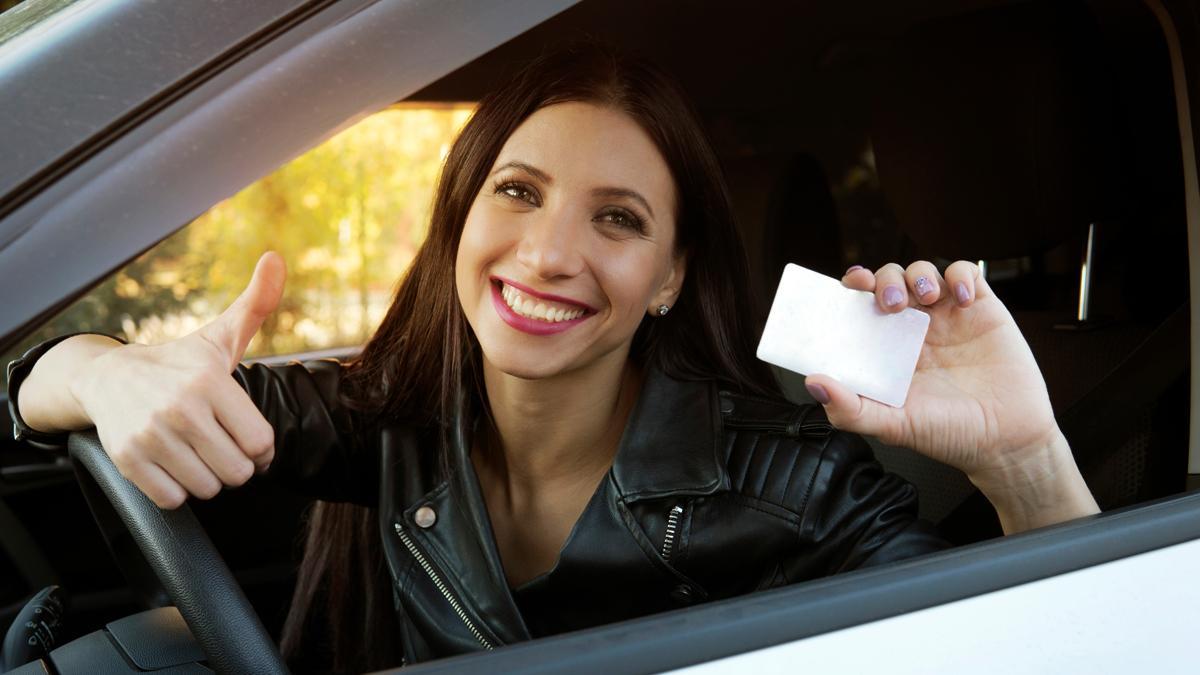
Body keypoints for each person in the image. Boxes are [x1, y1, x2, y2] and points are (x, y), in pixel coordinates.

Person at [7, 44, 1098, 671]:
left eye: (618, 220)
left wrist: (1023, 456)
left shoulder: (790, 482)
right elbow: (32, 384)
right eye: (518, 192)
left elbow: (1069, 652)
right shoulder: (388, 413)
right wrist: (101, 368)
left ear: (670, 277)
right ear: (462, 216)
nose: (548, 253)